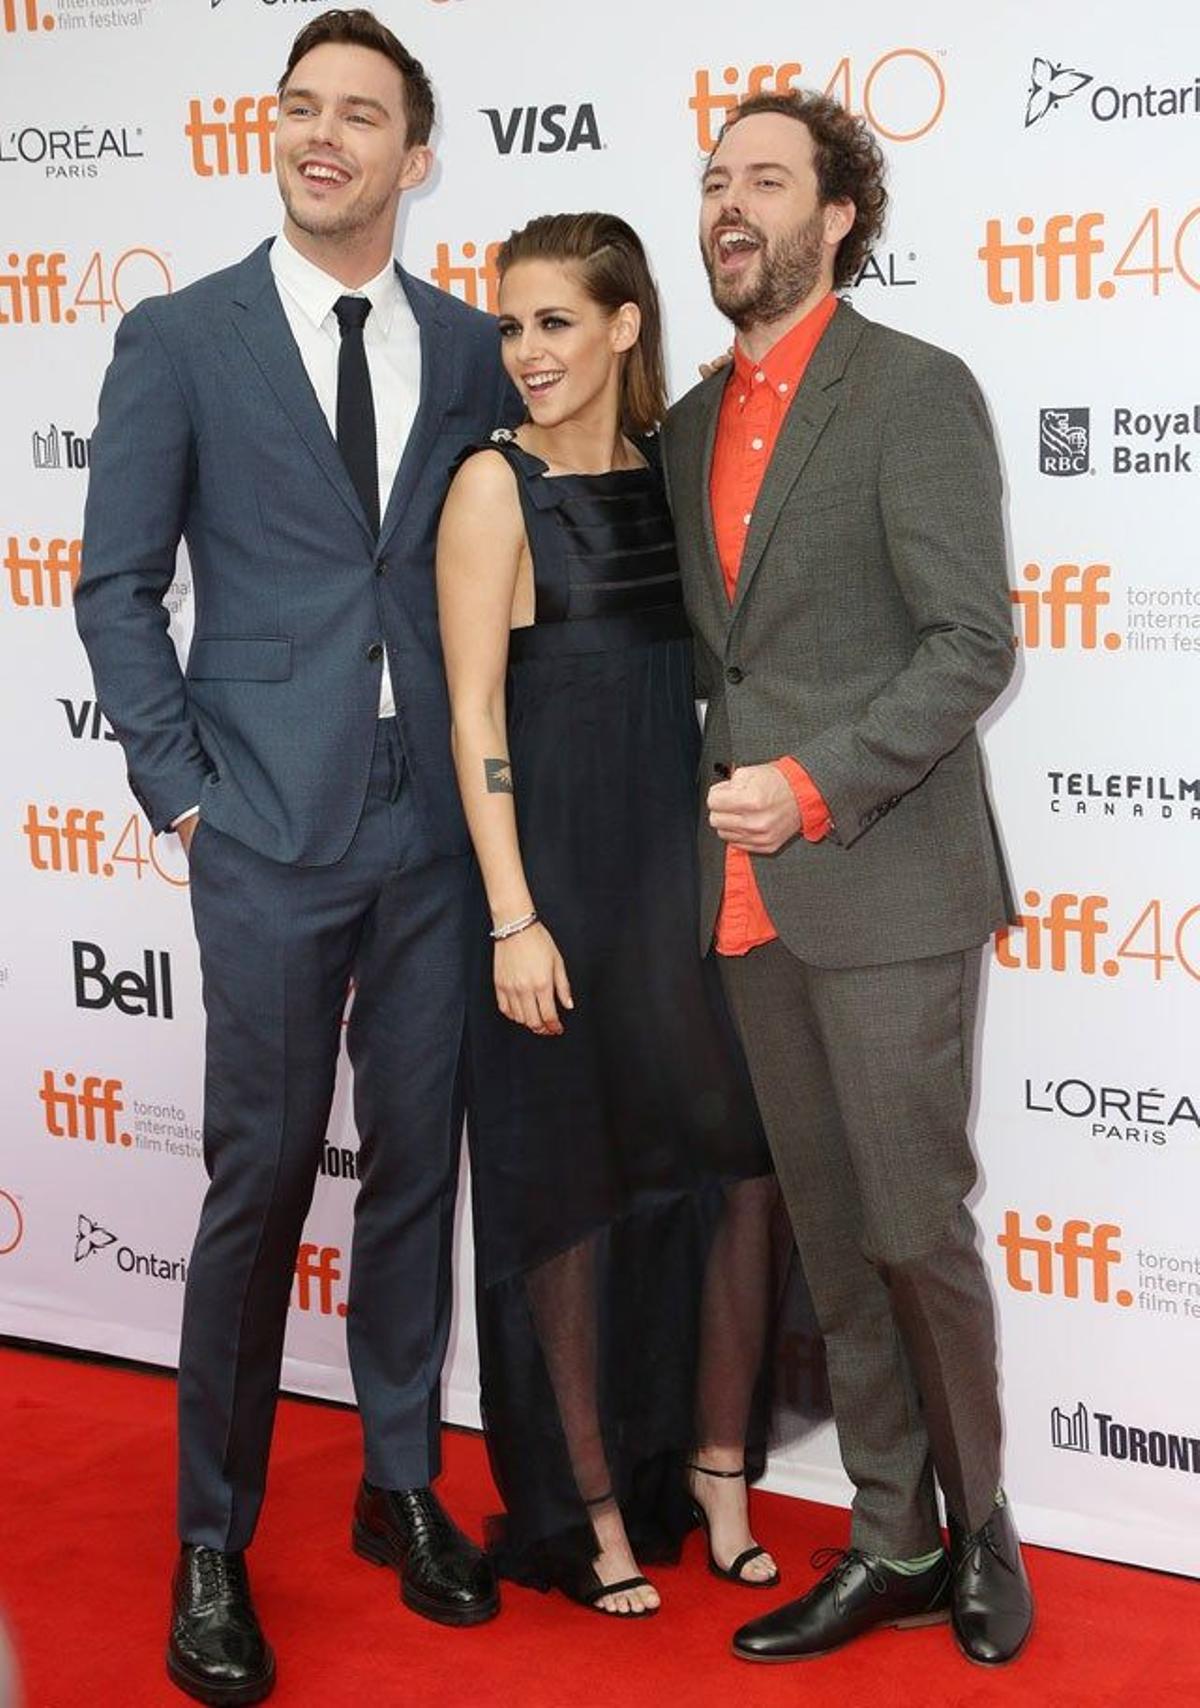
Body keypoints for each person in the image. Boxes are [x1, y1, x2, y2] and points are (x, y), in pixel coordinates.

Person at [75, 10, 518, 1702]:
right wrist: (184, 790)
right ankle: (213, 1538)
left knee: (418, 1163)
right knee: (257, 1182)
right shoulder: (179, 336)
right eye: (299, 108)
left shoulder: (476, 350)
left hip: (431, 837)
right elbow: (117, 585)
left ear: (417, 158)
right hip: (261, 825)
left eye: (361, 116)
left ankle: (397, 1482)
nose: (321, 136)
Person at [661, 90, 1034, 1668]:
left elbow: (972, 644)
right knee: (828, 1234)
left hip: (881, 886)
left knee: (910, 1226)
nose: (731, 205)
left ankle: (984, 1524)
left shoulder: (910, 389)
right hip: (749, 914)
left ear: (838, 218)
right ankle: (891, 1535)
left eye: (766, 180)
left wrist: (813, 788)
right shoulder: (682, 430)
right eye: (713, 184)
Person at [437, 212, 787, 1620]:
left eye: (555, 323)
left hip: (673, 882)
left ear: (625, 325)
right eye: (510, 326)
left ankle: (714, 1474)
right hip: (555, 890)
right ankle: (585, 1509)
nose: (526, 352)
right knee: (566, 1195)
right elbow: (472, 714)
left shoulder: (665, 472)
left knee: (736, 1175)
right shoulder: (490, 488)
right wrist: (514, 918)